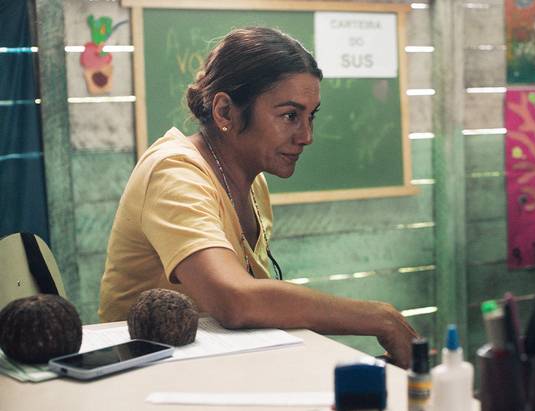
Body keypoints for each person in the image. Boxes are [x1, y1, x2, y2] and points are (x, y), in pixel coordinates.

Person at [98, 27, 417, 367]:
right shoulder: (174, 173)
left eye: (311, 116)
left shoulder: (253, 182)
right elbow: (234, 299)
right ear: (224, 112)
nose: (306, 136)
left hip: (212, 370)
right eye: (290, 116)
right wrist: (379, 317)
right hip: (144, 380)